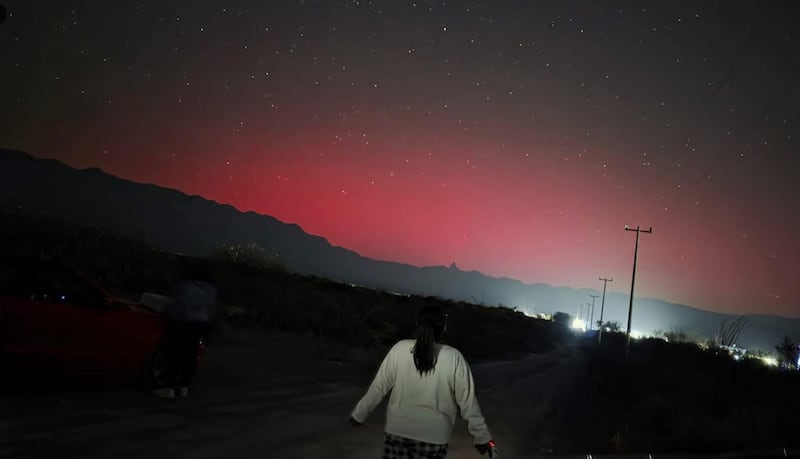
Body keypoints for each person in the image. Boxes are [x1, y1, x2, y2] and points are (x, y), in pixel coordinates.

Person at [350, 305, 498, 458]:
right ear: (443, 328)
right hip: (434, 438)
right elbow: (467, 402)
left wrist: (359, 414)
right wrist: (482, 437)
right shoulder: (454, 358)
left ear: (418, 325)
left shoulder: (399, 349)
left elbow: (379, 386)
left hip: (397, 432)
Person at [152, 262, 217, 399]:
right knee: (191, 354)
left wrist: (168, 316)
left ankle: (168, 387)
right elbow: (211, 308)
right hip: (200, 324)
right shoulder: (210, 289)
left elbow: (174, 304)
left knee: (174, 353)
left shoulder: (184, 285)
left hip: (182, 322)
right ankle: (183, 386)